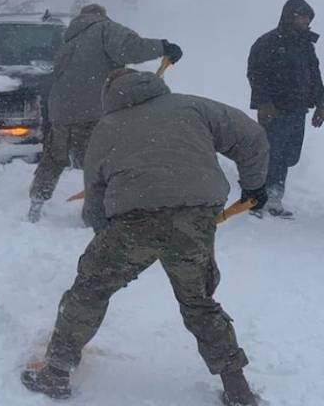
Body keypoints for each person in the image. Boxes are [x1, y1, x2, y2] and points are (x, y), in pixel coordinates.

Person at [21, 69, 269, 406]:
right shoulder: (192, 106)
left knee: (90, 291)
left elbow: (94, 191)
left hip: (133, 221)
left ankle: (56, 373)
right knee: (199, 302)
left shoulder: (107, 128)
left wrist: (105, 235)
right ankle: (237, 389)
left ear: (109, 93)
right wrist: (254, 185)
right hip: (194, 216)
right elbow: (251, 136)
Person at [27, 3, 183, 223]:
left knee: (54, 158)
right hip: (92, 109)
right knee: (98, 163)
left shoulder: (68, 41)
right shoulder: (104, 29)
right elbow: (130, 48)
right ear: (101, 16)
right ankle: (95, 216)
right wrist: (163, 47)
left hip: (61, 111)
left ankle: (36, 203)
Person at [247, 0, 324, 219]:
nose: (306, 20)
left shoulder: (306, 46)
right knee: (271, 152)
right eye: (301, 15)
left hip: (298, 110)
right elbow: (256, 73)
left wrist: (321, 104)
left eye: (308, 16)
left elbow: (315, 77)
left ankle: (274, 196)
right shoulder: (268, 42)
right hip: (275, 109)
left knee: (289, 155)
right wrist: (263, 103)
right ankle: (257, 197)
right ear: (289, 16)